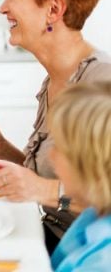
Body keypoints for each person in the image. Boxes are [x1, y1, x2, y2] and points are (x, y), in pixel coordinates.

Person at [0, 0, 111, 252]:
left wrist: (44, 190)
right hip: (51, 239)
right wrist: (0, 148)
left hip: (86, 256)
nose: (2, 8)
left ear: (54, 10)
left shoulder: (101, 83)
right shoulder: (52, 81)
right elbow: (52, 180)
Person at [47, 82, 111, 271]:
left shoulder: (102, 261)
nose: (51, 155)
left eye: (59, 147)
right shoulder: (94, 214)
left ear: (92, 166)